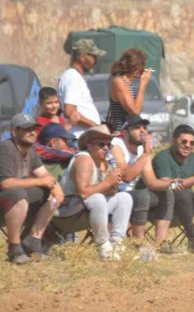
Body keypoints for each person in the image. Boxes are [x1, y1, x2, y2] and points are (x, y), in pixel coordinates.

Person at [59, 125, 131, 260]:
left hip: (87, 208)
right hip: (67, 209)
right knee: (97, 198)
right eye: (101, 144)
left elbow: (105, 190)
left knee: (124, 197)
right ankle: (103, 245)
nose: (106, 148)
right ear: (89, 145)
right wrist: (107, 182)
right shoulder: (84, 159)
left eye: (109, 145)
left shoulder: (103, 162)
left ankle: (117, 242)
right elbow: (83, 192)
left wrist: (113, 184)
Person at [0, 113, 63, 264]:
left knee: (51, 195)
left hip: (14, 200)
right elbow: (6, 184)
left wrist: (56, 189)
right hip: (7, 200)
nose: (32, 132)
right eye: (27, 129)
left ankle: (33, 241)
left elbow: (46, 175)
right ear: (14, 132)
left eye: (34, 128)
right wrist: (42, 181)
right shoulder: (5, 148)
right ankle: (14, 248)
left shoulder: (31, 151)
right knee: (18, 193)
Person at [152, 125, 194, 250]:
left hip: (187, 206)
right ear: (173, 141)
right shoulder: (162, 158)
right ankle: (192, 235)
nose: (188, 146)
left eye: (192, 143)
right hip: (166, 208)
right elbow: (170, 186)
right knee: (181, 192)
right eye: (183, 142)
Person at [108, 115, 175, 244]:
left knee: (166, 192)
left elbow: (152, 182)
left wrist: (172, 184)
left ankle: (161, 243)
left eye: (144, 127)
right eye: (137, 127)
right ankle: (139, 243)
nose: (143, 131)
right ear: (125, 132)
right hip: (115, 194)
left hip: (132, 196)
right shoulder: (116, 145)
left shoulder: (141, 150)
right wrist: (146, 154)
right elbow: (126, 177)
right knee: (142, 195)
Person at [57, 39, 104, 135]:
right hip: (78, 137)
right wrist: (94, 126)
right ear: (82, 57)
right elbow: (69, 111)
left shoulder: (75, 76)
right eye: (93, 56)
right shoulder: (72, 77)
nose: (95, 61)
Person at [106, 48, 153, 133]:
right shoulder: (119, 82)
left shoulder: (126, 83)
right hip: (120, 134)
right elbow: (135, 112)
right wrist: (143, 85)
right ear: (136, 68)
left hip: (128, 133)